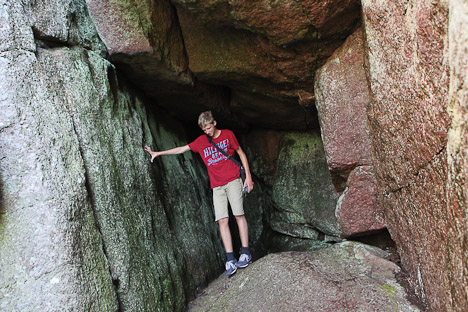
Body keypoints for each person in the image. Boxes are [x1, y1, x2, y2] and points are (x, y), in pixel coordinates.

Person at [144, 111, 254, 277]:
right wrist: (158, 153)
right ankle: (230, 259)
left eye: (208, 128)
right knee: (222, 220)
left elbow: (241, 154)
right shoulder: (202, 141)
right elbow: (182, 149)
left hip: (233, 180)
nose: (207, 132)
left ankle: (245, 253)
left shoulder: (227, 135)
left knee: (238, 215)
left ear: (214, 123)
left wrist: (249, 178)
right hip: (217, 186)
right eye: (204, 130)